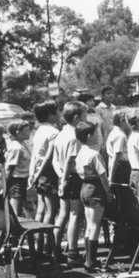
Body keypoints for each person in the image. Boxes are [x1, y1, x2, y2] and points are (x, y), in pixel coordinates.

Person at [53, 101, 87, 262]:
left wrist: (60, 177)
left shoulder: (61, 133)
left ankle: (54, 248)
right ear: (76, 118)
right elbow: (69, 161)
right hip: (72, 178)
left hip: (63, 177)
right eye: (84, 116)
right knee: (75, 214)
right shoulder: (75, 136)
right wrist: (65, 180)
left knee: (63, 214)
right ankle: (73, 251)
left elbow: (55, 159)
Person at [73, 121, 109, 270]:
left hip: (84, 187)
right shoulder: (95, 155)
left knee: (89, 224)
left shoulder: (81, 151)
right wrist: (108, 192)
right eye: (95, 133)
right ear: (89, 136)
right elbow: (103, 177)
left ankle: (88, 258)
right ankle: (91, 261)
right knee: (95, 225)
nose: (97, 135)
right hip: (95, 188)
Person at [29, 100, 61, 227]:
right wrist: (38, 175)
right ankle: (48, 243)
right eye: (57, 111)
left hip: (38, 170)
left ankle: (39, 241)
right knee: (50, 211)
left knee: (41, 210)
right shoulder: (54, 132)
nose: (59, 113)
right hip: (48, 171)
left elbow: (35, 155)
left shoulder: (39, 131)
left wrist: (33, 174)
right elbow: (49, 156)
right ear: (50, 115)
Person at [4, 120, 32, 218]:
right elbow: (9, 169)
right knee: (16, 213)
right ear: (18, 133)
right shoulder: (16, 148)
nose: (30, 132)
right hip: (17, 182)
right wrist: (5, 187)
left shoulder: (23, 144)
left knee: (21, 210)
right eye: (27, 130)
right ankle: (13, 231)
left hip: (23, 181)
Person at [105, 109, 131, 184]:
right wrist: (111, 177)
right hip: (120, 167)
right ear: (122, 121)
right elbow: (117, 156)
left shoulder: (114, 132)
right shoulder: (120, 135)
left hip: (116, 165)